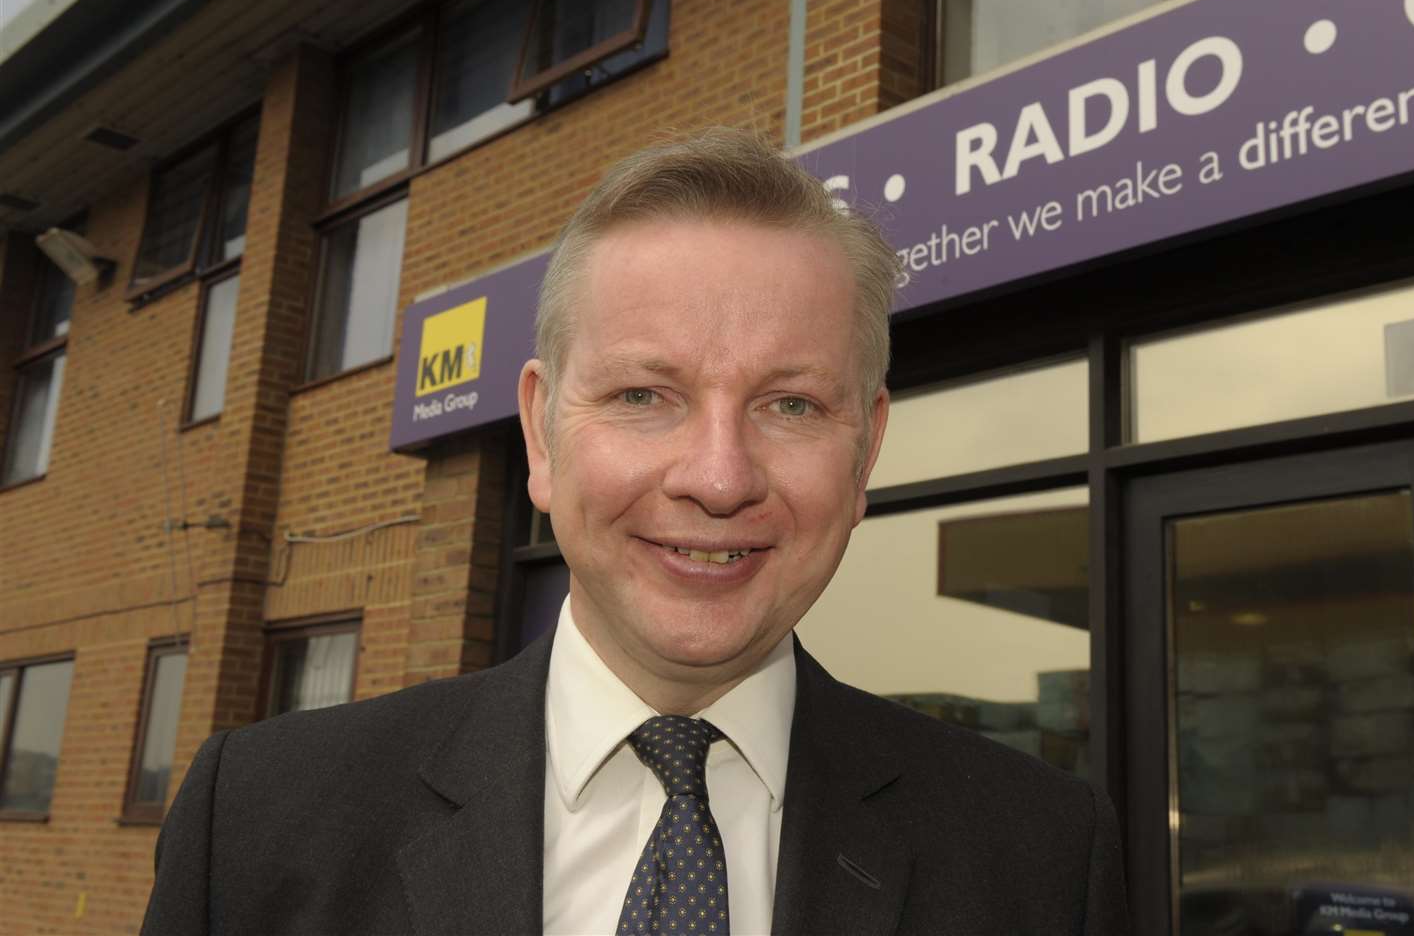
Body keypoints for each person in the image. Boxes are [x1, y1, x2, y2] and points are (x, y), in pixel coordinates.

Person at [141, 128, 1127, 935]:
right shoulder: (260, 824)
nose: (718, 477)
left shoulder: (1041, 856)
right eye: (645, 394)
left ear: (864, 450)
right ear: (540, 431)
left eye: (789, 406)